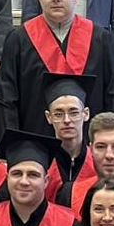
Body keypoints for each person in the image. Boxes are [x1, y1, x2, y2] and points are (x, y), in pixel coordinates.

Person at [0, 0, 114, 138]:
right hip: (35, 144)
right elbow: (7, 99)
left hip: (89, 144)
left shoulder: (100, 39)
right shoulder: (19, 39)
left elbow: (113, 96)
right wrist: (15, 146)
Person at [41, 73, 99, 208]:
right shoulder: (42, 165)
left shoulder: (98, 162)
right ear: (49, 117)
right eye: (58, 114)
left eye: (74, 113)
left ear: (86, 114)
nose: (67, 120)